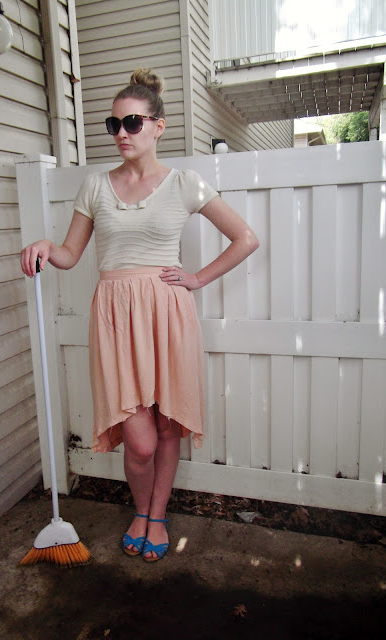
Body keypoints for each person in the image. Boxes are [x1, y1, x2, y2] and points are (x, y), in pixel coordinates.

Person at [20, 69, 259, 562]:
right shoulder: (95, 186)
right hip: (115, 321)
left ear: (158, 126)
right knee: (140, 442)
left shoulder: (185, 184)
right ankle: (141, 506)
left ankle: (155, 514)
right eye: (114, 124)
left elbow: (246, 238)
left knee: (168, 428)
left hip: (167, 314)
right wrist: (46, 245)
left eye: (132, 123)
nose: (122, 133)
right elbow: (70, 253)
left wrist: (197, 278)